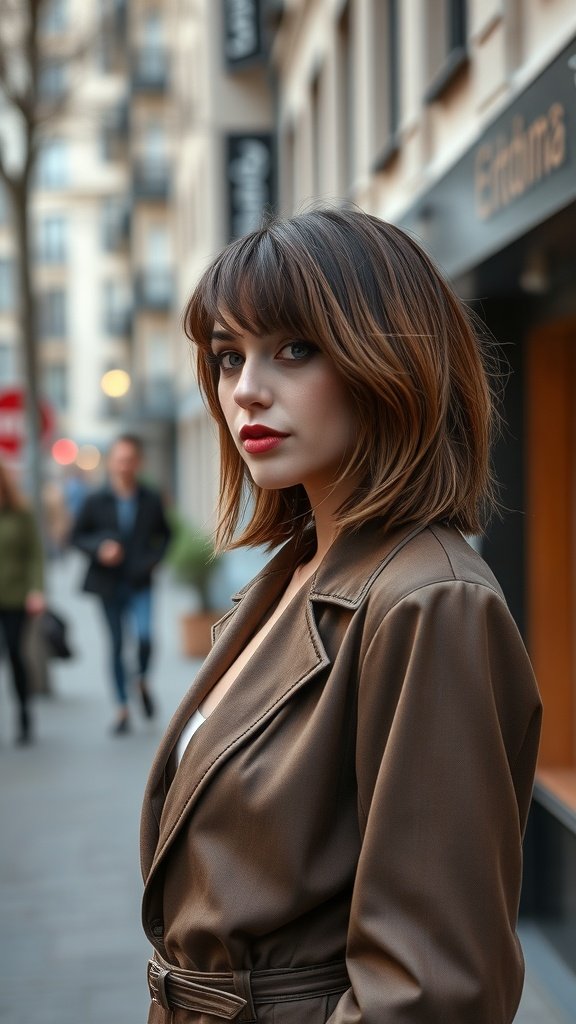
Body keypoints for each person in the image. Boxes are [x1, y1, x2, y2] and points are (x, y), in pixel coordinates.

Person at [140, 209, 542, 1024]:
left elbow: (434, 990)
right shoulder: (292, 575)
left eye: (294, 348)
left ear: (388, 360)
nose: (245, 387)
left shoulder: (430, 602)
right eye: (227, 356)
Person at [71, 434, 171, 735]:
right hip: (108, 583)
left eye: (129, 460)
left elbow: (165, 536)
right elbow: (77, 536)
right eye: (119, 459)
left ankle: (140, 679)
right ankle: (122, 708)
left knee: (144, 638)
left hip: (140, 581)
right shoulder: (95, 499)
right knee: (115, 644)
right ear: (111, 462)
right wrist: (100, 547)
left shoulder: (151, 498)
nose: (124, 466)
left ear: (138, 462)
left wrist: (152, 561)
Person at [0, 459, 45, 744]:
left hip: (16, 596)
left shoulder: (20, 513)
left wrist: (36, 590)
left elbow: (35, 554)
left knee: (16, 655)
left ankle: (24, 712)